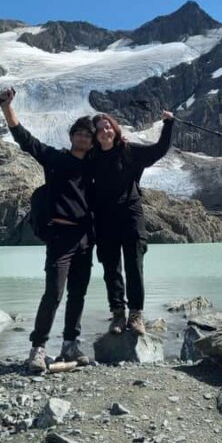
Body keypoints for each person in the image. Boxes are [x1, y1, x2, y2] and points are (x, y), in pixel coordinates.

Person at [0, 88, 95, 373]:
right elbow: (25, 140)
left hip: (85, 239)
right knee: (53, 293)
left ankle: (70, 345)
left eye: (88, 136)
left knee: (78, 294)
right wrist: (7, 108)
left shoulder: (96, 167)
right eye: (79, 133)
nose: (83, 138)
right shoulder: (56, 159)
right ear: (72, 136)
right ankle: (38, 349)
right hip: (60, 237)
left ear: (91, 142)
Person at [90, 110, 174, 335]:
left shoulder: (129, 152)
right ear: (95, 135)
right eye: (99, 129)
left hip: (130, 215)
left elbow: (159, 150)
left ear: (114, 129)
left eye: (107, 126)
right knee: (111, 268)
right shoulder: (91, 158)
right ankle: (118, 314)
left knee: (134, 266)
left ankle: (136, 315)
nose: (104, 131)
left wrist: (168, 124)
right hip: (105, 219)